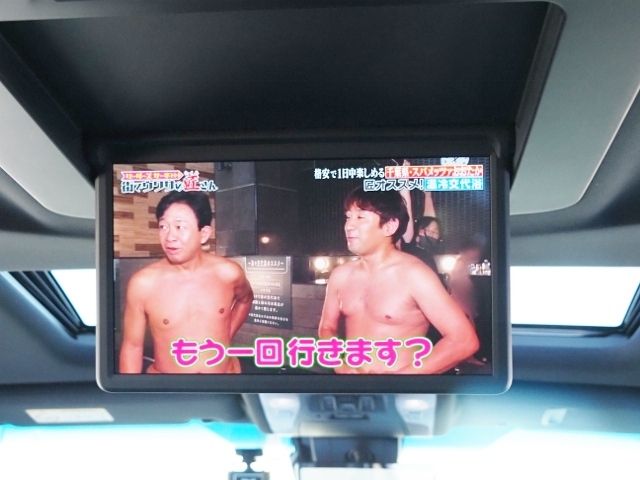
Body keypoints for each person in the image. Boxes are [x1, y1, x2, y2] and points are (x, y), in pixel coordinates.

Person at [317, 186, 479, 374]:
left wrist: (401, 380)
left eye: (360, 217)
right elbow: (327, 327)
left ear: (389, 226)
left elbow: (464, 341)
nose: (349, 226)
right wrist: (339, 364)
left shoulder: (414, 275)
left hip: (399, 388)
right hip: (351, 386)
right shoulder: (340, 275)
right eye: (348, 217)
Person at [119, 191, 253, 374]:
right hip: (169, 386)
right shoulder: (143, 283)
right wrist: (131, 391)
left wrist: (227, 334)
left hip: (225, 381)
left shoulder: (228, 273)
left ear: (203, 234)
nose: (169, 237)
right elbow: (132, 347)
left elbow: (245, 299)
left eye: (179, 227)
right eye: (163, 227)